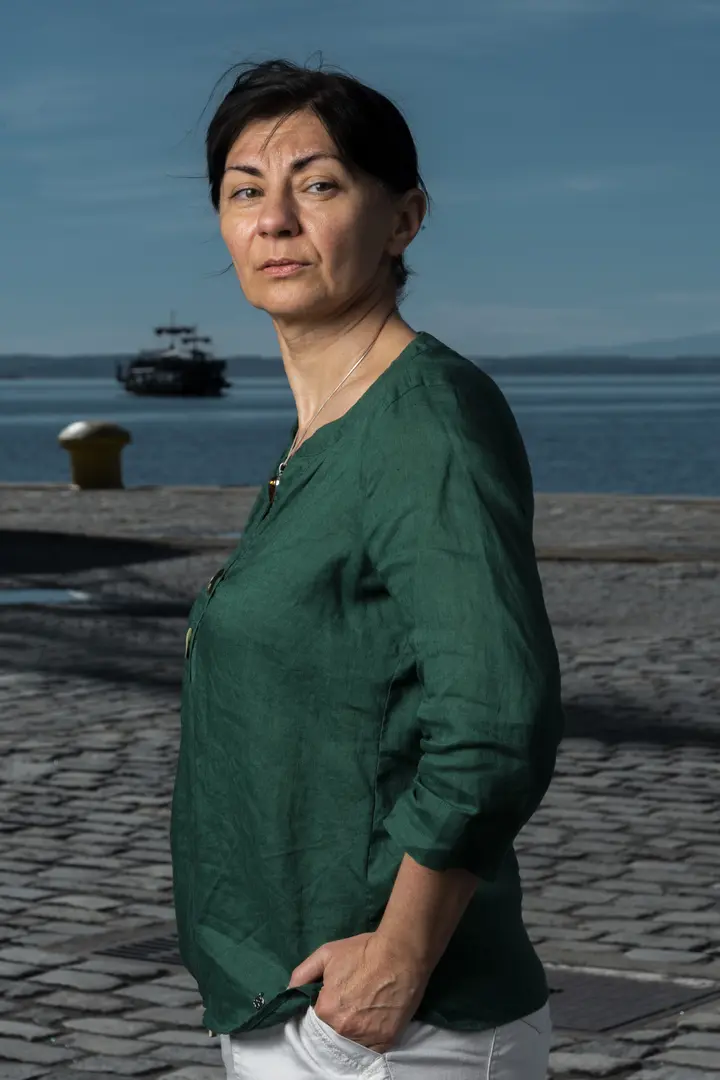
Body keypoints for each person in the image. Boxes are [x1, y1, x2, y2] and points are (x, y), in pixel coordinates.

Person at [170, 57, 564, 1080]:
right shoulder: (326, 426)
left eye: (320, 184)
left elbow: (495, 719)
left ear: (404, 219)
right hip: (293, 1002)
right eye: (245, 192)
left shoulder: (426, 420)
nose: (276, 221)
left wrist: (397, 960)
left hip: (397, 1030)